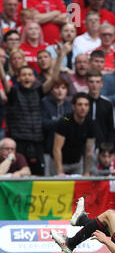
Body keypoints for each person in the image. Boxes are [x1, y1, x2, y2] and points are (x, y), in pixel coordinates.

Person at [0, 41, 67, 176]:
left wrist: (60, 57)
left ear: (34, 77)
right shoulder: (13, 93)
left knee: (39, 176)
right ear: (18, 78)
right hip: (19, 142)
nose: (27, 77)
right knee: (19, 175)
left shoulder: (38, 91)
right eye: (23, 75)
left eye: (30, 75)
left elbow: (54, 78)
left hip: (37, 141)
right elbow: (3, 79)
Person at [52, 92, 96, 176]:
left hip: (77, 162)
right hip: (59, 161)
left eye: (86, 105)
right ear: (74, 106)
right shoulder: (65, 120)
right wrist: (60, 171)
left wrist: (86, 172)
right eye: (80, 105)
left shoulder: (91, 123)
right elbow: (56, 149)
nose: (83, 108)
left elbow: (89, 151)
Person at [41, 78, 73, 176]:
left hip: (66, 151)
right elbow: (44, 122)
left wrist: (61, 121)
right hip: (48, 149)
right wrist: (61, 122)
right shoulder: (45, 103)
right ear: (51, 90)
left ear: (67, 90)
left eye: (63, 88)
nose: (60, 91)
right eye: (56, 88)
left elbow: (69, 120)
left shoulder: (69, 106)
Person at [86, 69, 114, 147]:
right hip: (81, 144)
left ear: (101, 83)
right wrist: (63, 119)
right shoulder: (80, 101)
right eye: (91, 82)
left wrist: (108, 146)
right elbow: (67, 118)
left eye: (97, 82)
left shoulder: (107, 104)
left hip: (102, 145)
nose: (94, 85)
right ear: (87, 83)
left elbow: (111, 127)